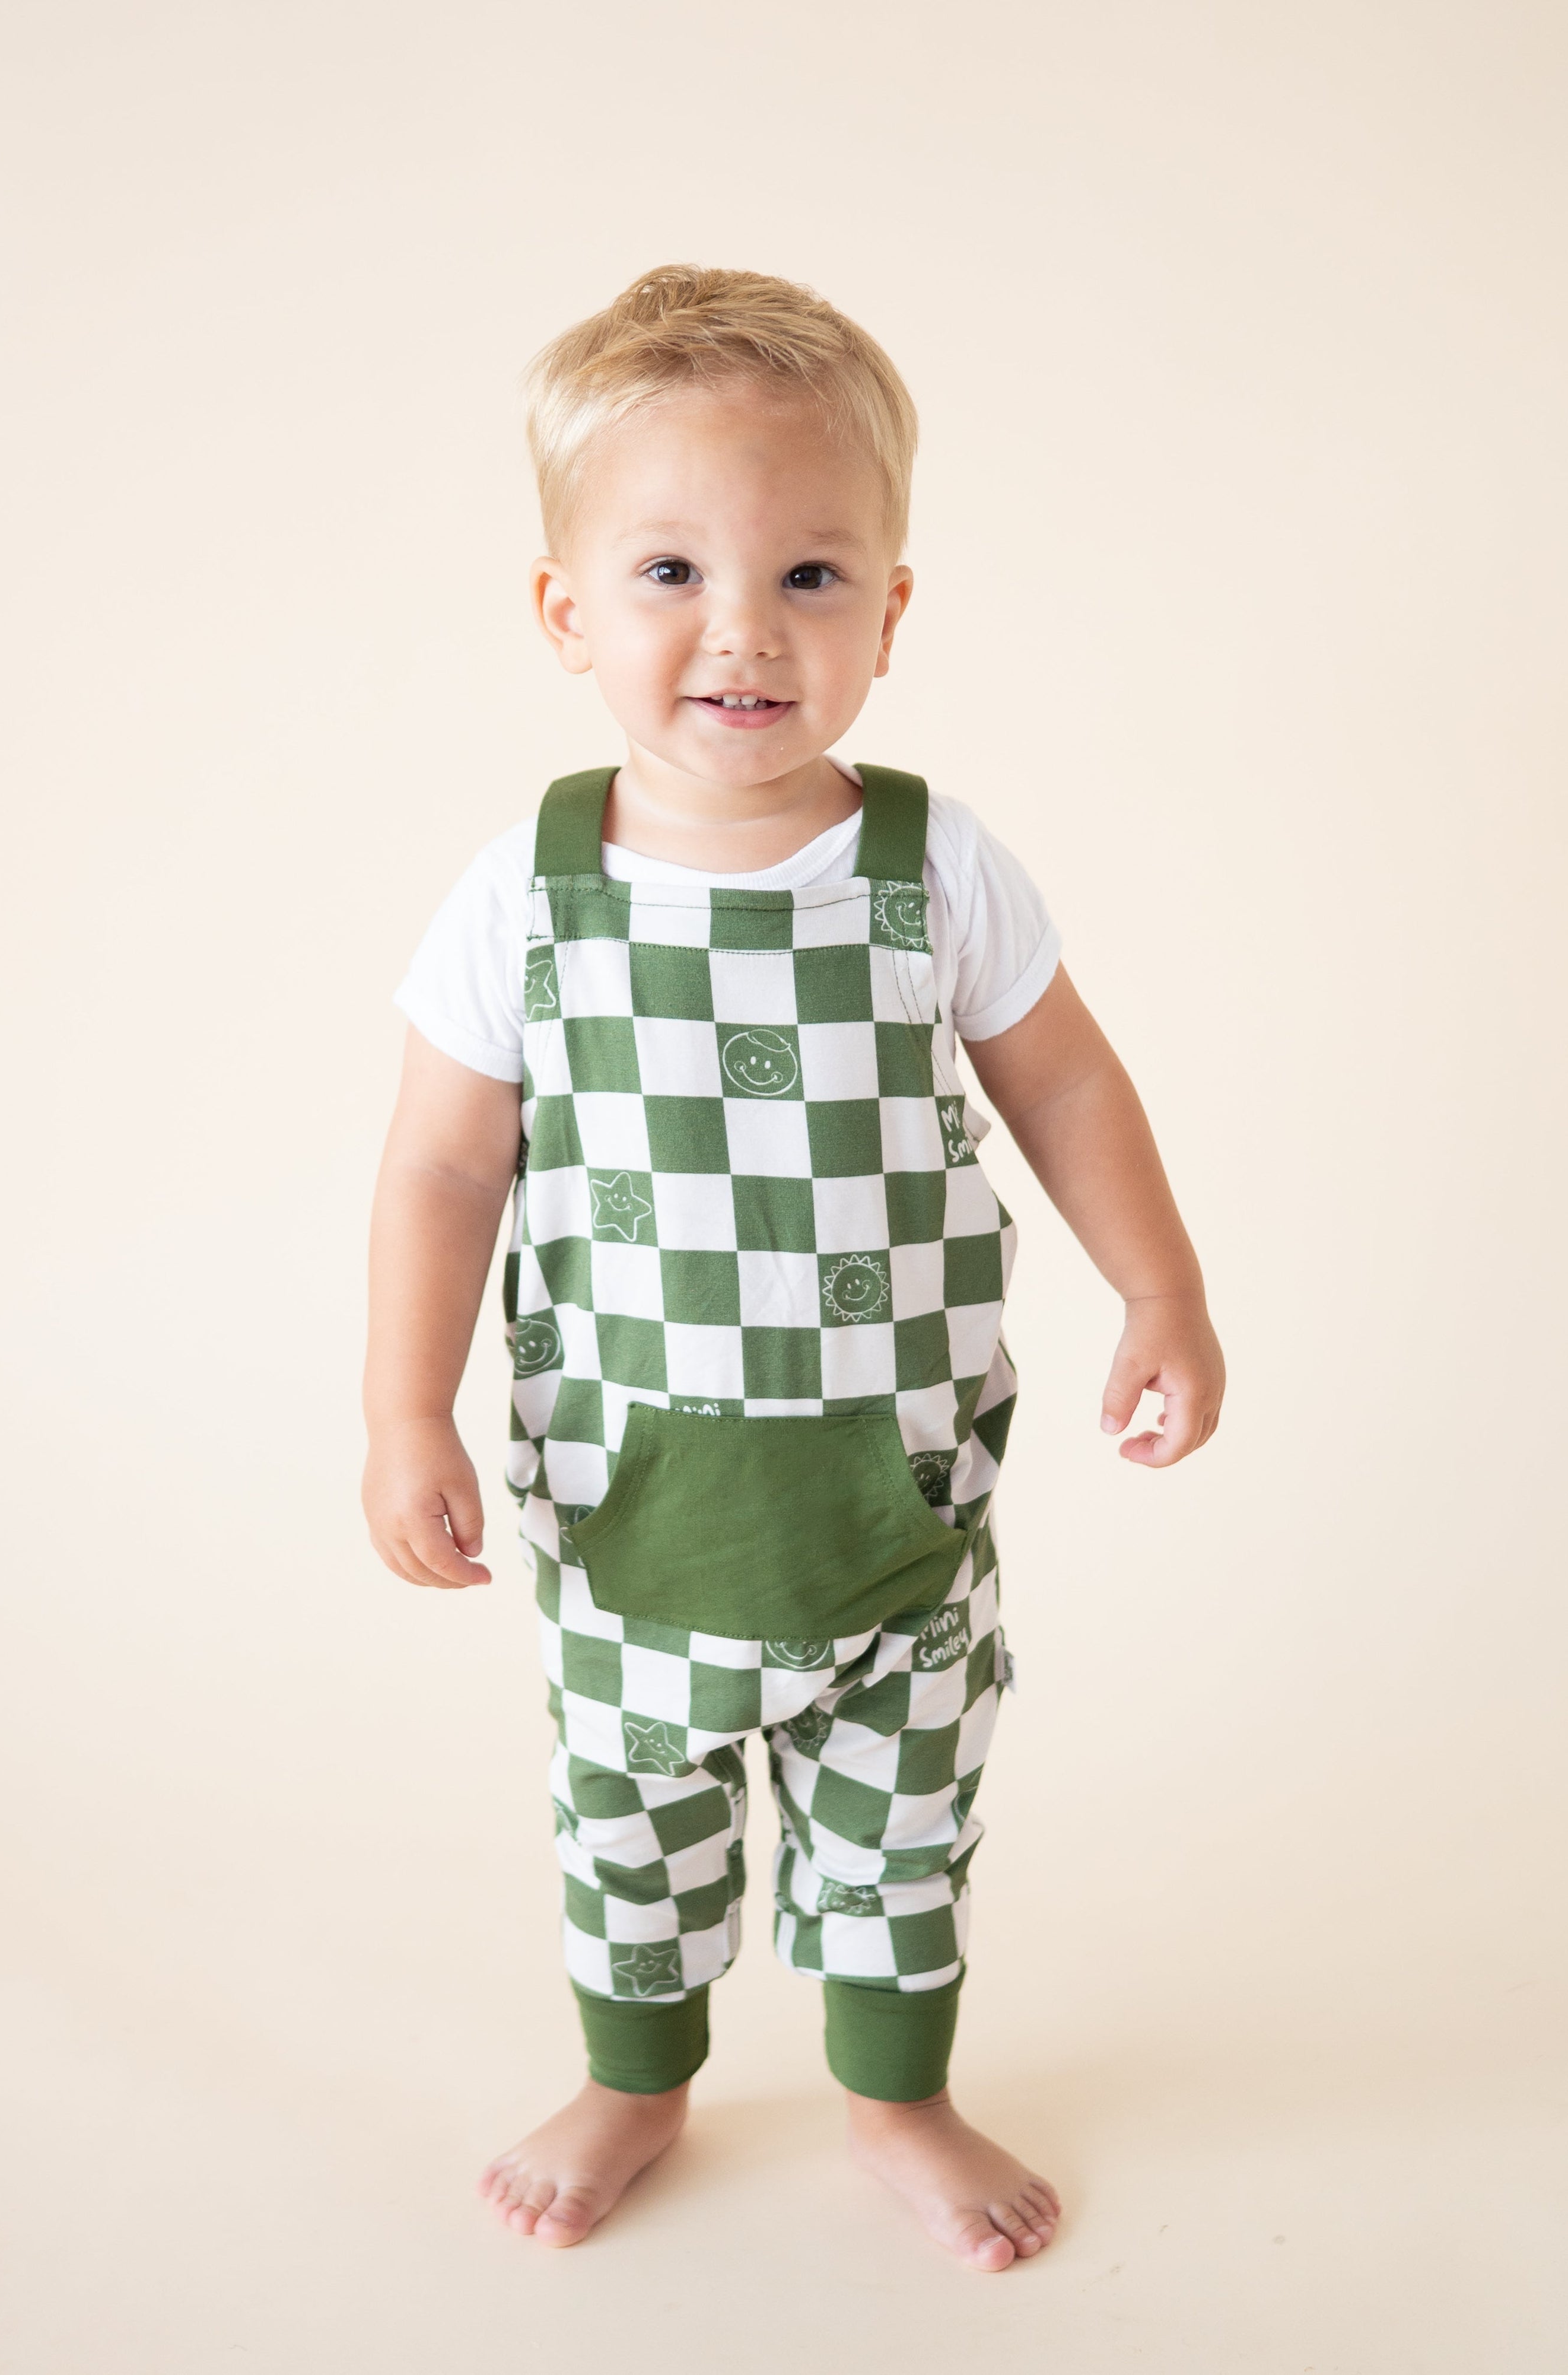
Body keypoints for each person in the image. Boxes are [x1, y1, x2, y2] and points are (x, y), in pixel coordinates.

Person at [362, 265, 1225, 2272]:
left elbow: (1071, 1087)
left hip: (896, 1506)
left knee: (907, 1831)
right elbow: (435, 1162)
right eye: (669, 567)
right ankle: (638, 2079)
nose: (745, 627)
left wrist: (1161, 1289)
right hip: (639, 1506)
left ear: (893, 615)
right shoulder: (532, 890)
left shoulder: (929, 865)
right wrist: (404, 1405)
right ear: (567, 611)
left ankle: (900, 2095)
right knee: (631, 1831)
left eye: (815, 574)